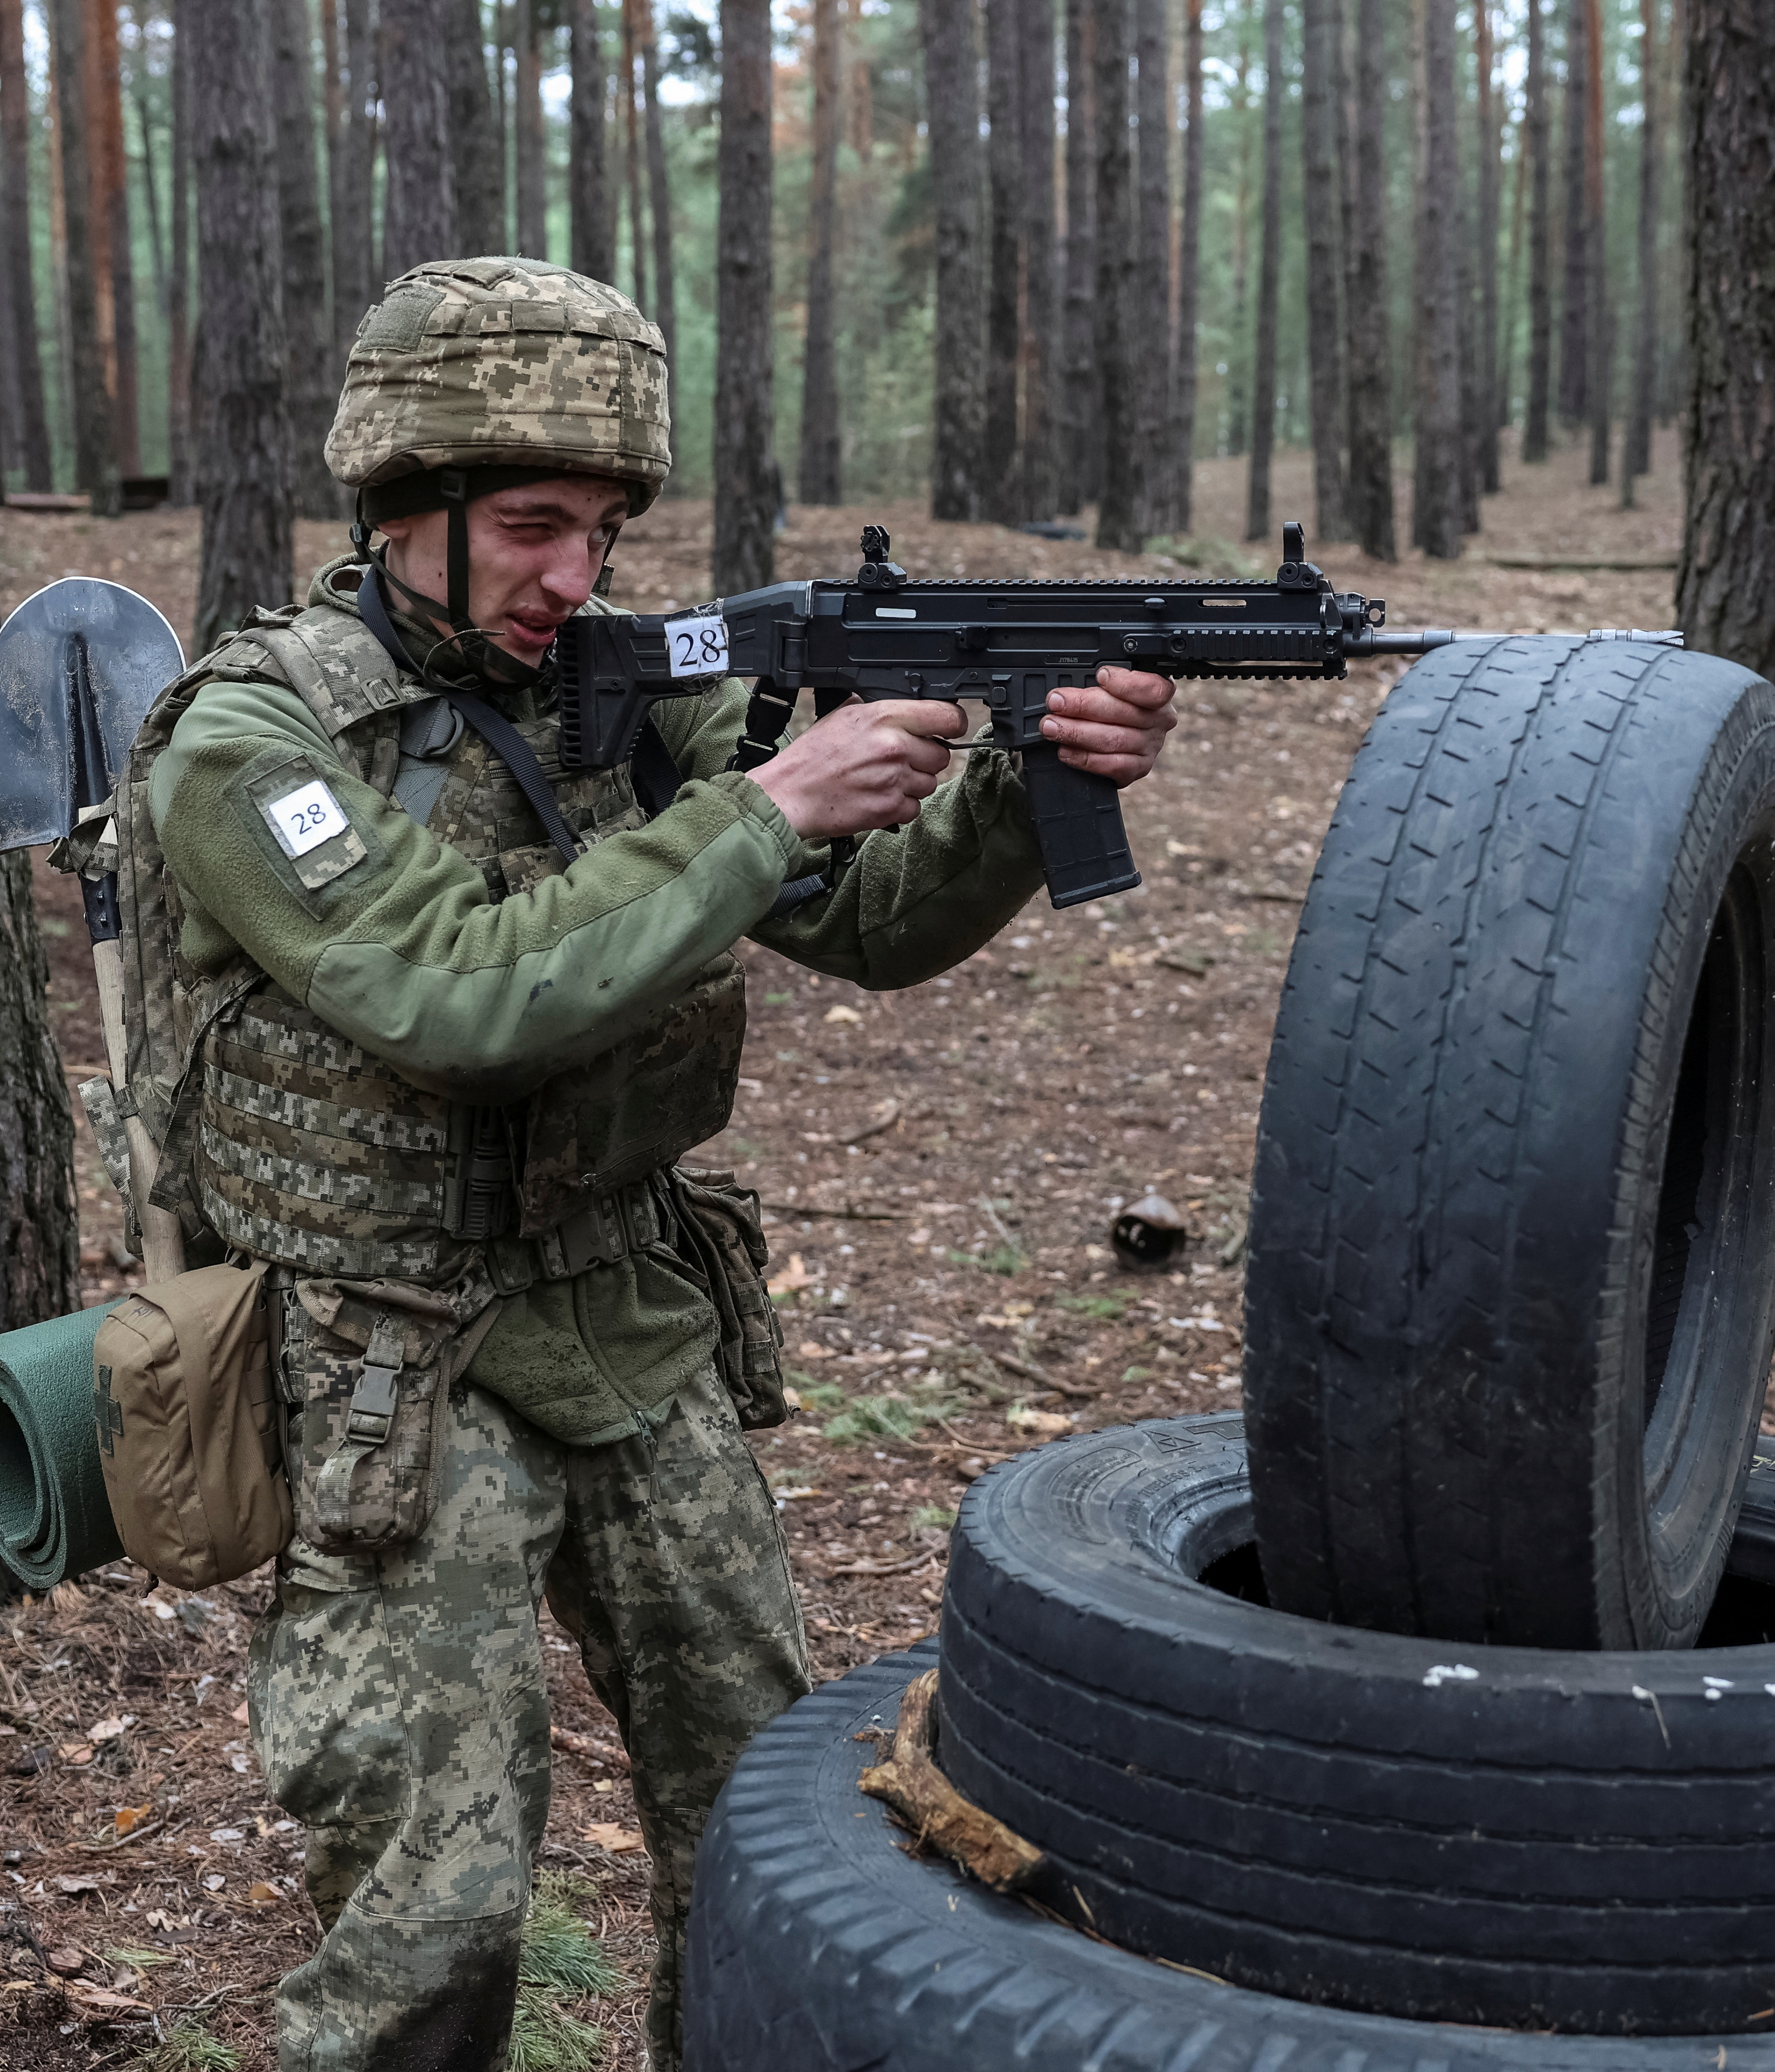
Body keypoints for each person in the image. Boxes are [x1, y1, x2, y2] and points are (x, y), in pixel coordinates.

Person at [117, 257, 1178, 2069]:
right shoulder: (253, 740)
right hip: (389, 1357)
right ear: (403, 505)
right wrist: (762, 808)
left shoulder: (634, 690)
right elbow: (451, 991)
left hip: (619, 1309)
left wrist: (1025, 779)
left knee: (778, 1810)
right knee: (429, 1902)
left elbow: (873, 927)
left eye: (602, 528)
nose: (574, 577)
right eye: (530, 525)